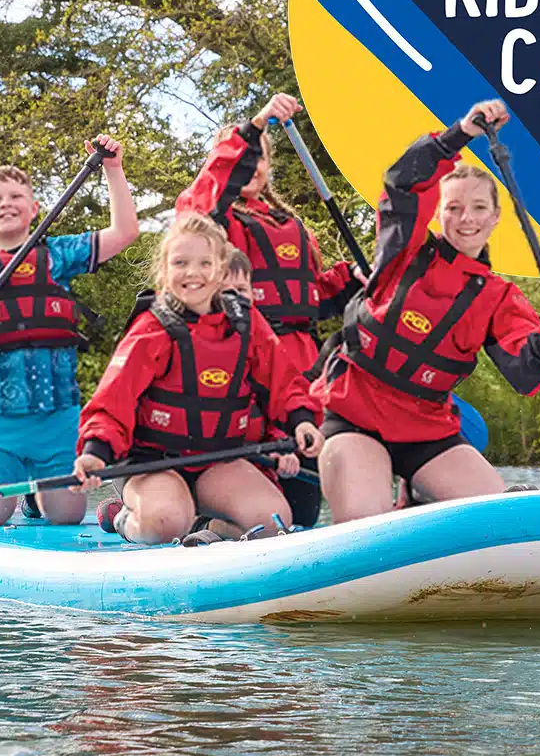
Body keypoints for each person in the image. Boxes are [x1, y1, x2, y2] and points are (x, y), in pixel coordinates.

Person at [314, 100, 540, 523]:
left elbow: (521, 360)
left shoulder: (497, 295)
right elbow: (401, 183)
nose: (466, 218)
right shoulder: (404, 251)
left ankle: (420, 499)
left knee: (501, 518)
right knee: (367, 523)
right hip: (355, 417)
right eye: (454, 207)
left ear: (496, 218)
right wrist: (457, 135)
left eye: (479, 208)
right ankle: (398, 507)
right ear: (438, 214)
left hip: (427, 431)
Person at [75, 213, 321, 543]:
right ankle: (124, 518)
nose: (193, 273)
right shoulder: (151, 329)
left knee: (274, 522)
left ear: (220, 270)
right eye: (181, 263)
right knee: (165, 523)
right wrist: (95, 451)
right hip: (152, 463)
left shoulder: (247, 323)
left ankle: (207, 528)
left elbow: (285, 383)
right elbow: (112, 401)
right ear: (164, 271)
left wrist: (302, 421)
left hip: (217, 460)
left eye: (205, 263)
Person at [0, 138, 139, 526]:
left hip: (57, 418)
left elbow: (125, 232)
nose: (6, 203)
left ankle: (36, 495)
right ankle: (13, 488)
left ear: (34, 209)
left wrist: (113, 169)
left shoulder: (58, 256)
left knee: (66, 516)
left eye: (15, 196)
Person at [179, 93, 359, 373]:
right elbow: (213, 185)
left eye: (260, 158)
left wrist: (351, 278)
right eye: (246, 157)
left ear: (269, 166)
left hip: (304, 360)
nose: (253, 166)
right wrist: (257, 124)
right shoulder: (209, 216)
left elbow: (310, 298)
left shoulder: (289, 225)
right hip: (242, 354)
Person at [222, 245, 322, 529]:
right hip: (184, 461)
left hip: (244, 459)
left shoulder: (257, 337)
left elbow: (281, 393)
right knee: (164, 517)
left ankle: (214, 527)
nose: (234, 300)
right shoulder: (173, 333)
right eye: (224, 291)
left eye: (241, 290)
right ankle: (133, 515)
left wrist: (282, 443)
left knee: (299, 516)